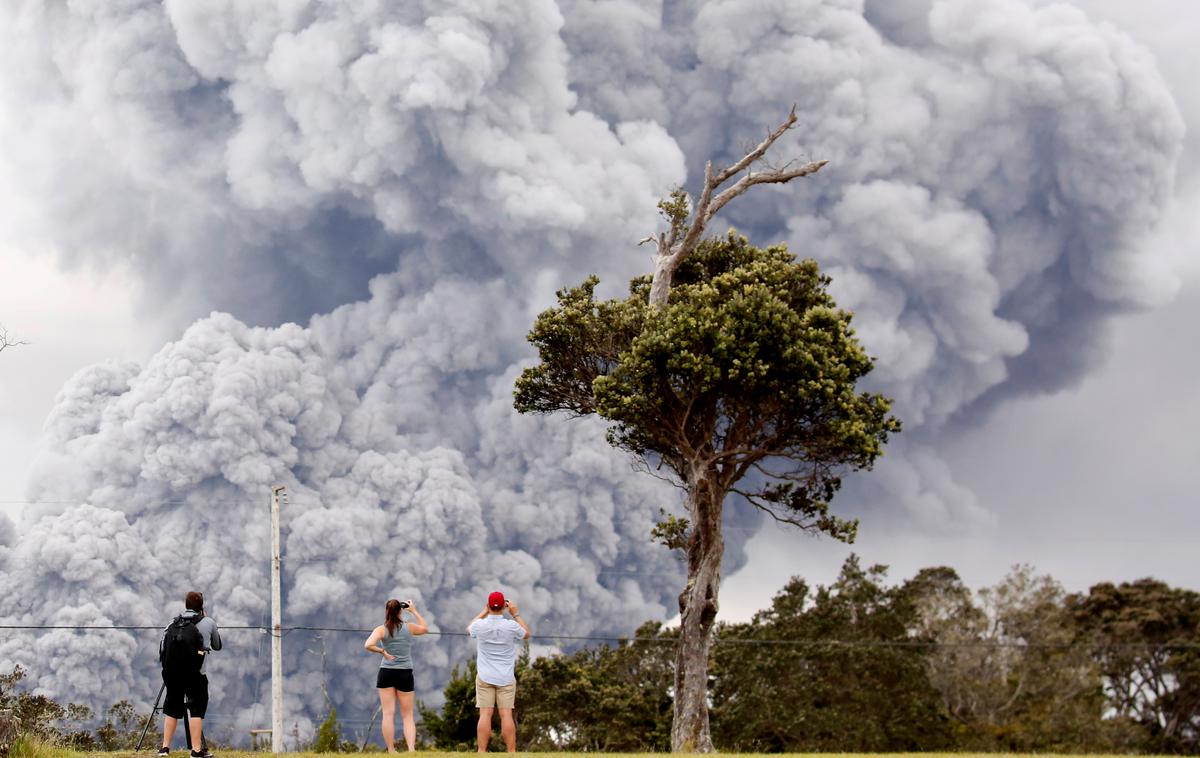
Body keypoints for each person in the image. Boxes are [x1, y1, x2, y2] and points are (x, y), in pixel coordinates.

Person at [159, 591, 221, 758]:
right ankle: (196, 750)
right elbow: (217, 645)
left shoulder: (173, 622)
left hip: (172, 674)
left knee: (171, 708)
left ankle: (165, 748)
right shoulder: (208, 622)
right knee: (196, 710)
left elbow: (163, 647)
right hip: (196, 674)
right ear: (201, 607)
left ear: (185, 605)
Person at [467, 591, 530, 753]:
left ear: (489, 606)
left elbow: (469, 629)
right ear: (504, 606)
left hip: (485, 677)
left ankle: (481, 751)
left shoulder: (480, 626)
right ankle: (511, 752)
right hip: (506, 677)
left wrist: (483, 612)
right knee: (506, 715)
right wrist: (515, 614)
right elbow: (526, 634)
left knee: (485, 715)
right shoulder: (511, 625)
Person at [364, 599, 428, 752]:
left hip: (386, 672)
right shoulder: (409, 628)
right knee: (407, 715)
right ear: (400, 611)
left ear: (386, 611)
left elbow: (368, 645)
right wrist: (413, 611)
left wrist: (382, 651)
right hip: (405, 673)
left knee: (388, 713)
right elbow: (425, 628)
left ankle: (391, 750)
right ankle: (411, 750)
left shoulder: (381, 629)